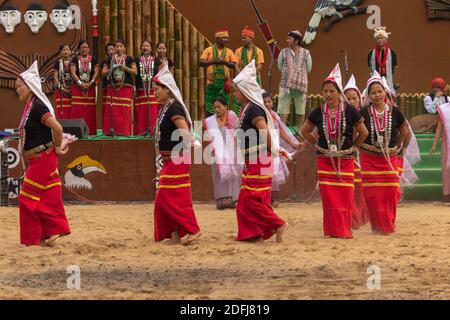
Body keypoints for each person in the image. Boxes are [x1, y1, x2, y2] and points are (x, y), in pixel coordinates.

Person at [301, 64, 368, 239]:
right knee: (329, 198)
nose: (328, 94)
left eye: (332, 91)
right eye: (325, 91)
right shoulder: (318, 111)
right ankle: (331, 231)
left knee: (345, 196)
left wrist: (354, 147)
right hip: (324, 160)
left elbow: (364, 132)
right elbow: (304, 131)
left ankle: (344, 231)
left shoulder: (349, 110)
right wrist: (316, 145)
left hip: (345, 160)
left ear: (339, 93)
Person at [233, 60, 289, 243]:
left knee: (251, 200)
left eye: (236, 90)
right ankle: (254, 234)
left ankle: (278, 223)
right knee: (243, 202)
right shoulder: (247, 108)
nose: (234, 94)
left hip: (259, 159)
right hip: (251, 160)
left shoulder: (254, 109)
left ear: (245, 90)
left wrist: (274, 150)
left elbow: (265, 131)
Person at [16, 61, 71, 246]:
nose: (17, 90)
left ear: (30, 87)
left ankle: (33, 238)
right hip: (37, 159)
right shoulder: (30, 107)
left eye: (19, 86)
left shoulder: (38, 107)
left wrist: (56, 147)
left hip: (43, 158)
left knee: (26, 196)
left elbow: (57, 128)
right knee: (48, 194)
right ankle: (52, 232)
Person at [153, 63, 201, 245]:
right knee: (166, 199)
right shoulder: (164, 108)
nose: (155, 93)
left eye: (157, 89)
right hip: (168, 160)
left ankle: (193, 229)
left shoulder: (174, 108)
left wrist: (191, 143)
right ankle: (174, 234)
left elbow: (183, 129)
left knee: (166, 197)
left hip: (178, 158)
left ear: (167, 89)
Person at [359, 71, 409, 235]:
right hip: (369, 159)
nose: (377, 95)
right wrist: (356, 147)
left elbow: (404, 131)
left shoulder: (395, 111)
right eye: (373, 92)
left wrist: (397, 145)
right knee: (373, 195)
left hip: (389, 159)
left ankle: (388, 226)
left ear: (385, 92)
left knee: (390, 193)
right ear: (369, 95)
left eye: (379, 91)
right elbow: (356, 131)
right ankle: (377, 227)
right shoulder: (364, 112)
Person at [262, 91, 302, 207]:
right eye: (264, 102)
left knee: (275, 174)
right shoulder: (260, 117)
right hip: (264, 150)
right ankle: (265, 199)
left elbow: (282, 132)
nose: (267, 104)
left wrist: (292, 143)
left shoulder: (274, 116)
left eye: (269, 102)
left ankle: (274, 199)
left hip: (274, 150)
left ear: (272, 103)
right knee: (265, 174)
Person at [203, 96, 241, 210]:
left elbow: (239, 132)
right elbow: (207, 137)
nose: (217, 110)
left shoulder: (232, 116)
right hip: (217, 153)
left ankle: (234, 199)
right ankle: (222, 199)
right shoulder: (211, 121)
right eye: (215, 108)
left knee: (234, 175)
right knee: (218, 174)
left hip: (232, 151)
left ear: (226, 107)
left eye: (219, 107)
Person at [343, 75, 369, 229]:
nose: (351, 101)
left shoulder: (365, 115)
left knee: (360, 191)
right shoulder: (339, 114)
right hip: (344, 156)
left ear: (359, 99)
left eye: (354, 98)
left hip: (362, 156)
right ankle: (351, 218)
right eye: (348, 98)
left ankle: (359, 217)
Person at [200, 28, 239, 117]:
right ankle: (210, 129)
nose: (226, 40)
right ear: (217, 39)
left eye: (227, 38)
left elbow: (233, 65)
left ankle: (224, 128)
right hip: (211, 85)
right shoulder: (208, 50)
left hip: (224, 85)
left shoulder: (229, 52)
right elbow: (201, 62)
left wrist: (224, 62)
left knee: (224, 109)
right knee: (210, 109)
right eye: (223, 37)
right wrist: (214, 61)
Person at [102, 39, 137, 136]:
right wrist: (111, 68)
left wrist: (125, 68)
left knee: (124, 110)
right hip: (112, 88)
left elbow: (135, 72)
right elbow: (103, 73)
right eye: (117, 46)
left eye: (121, 46)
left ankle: (124, 132)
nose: (119, 48)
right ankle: (110, 131)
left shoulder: (129, 59)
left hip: (125, 88)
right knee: (112, 110)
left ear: (125, 48)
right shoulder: (110, 59)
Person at [278, 30, 312, 128]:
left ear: (296, 41)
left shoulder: (306, 53)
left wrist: (297, 77)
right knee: (283, 110)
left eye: (289, 39)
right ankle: (282, 133)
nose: (287, 40)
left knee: (300, 111)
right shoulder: (283, 52)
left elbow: (308, 68)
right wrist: (290, 75)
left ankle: (299, 133)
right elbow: (280, 67)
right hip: (285, 85)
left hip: (300, 85)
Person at [70, 40, 100, 135]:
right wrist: (80, 83)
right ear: (79, 49)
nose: (84, 49)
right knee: (77, 109)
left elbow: (96, 72)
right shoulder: (75, 59)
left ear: (89, 49)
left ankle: (90, 132)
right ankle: (76, 132)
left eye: (86, 47)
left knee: (89, 110)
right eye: (82, 47)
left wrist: (91, 82)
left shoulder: (93, 59)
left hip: (90, 87)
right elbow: (73, 72)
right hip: (77, 87)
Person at [234, 26, 264, 115]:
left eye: (245, 38)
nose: (242, 40)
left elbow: (260, 66)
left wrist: (249, 75)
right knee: (239, 103)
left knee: (255, 101)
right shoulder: (238, 51)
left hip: (254, 80)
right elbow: (236, 65)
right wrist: (242, 75)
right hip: (242, 81)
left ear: (251, 38)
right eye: (242, 38)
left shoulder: (259, 51)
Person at [134, 40, 160, 136]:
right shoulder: (136, 60)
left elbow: (161, 74)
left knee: (152, 111)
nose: (145, 47)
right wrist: (133, 88)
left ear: (151, 48)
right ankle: (140, 132)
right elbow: (133, 75)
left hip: (153, 90)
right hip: (140, 89)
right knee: (141, 112)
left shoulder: (156, 60)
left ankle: (153, 132)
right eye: (144, 46)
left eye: (147, 46)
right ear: (141, 49)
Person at [430, 101, 450, 201]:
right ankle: (447, 194)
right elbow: (439, 129)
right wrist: (434, 145)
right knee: (446, 169)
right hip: (447, 144)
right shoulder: (444, 109)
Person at [368, 26, 398, 95]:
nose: (380, 40)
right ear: (375, 40)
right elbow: (370, 68)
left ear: (386, 40)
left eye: (382, 38)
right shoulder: (370, 53)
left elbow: (394, 68)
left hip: (388, 80)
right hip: (375, 80)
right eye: (378, 38)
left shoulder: (392, 53)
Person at [53, 44, 73, 119]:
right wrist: (61, 87)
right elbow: (55, 77)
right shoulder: (57, 63)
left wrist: (71, 88)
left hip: (72, 90)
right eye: (63, 50)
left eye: (67, 49)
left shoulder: (74, 62)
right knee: (62, 109)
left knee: (72, 109)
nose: (65, 51)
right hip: (60, 90)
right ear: (60, 52)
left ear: (70, 51)